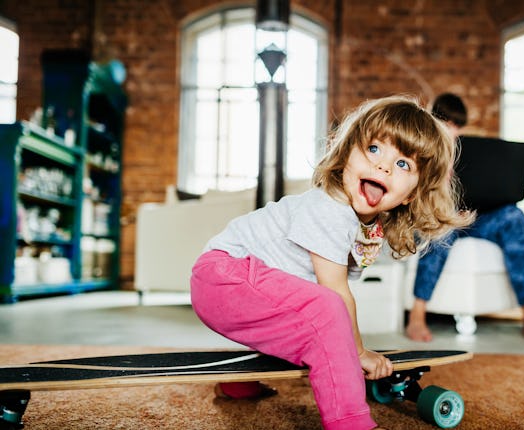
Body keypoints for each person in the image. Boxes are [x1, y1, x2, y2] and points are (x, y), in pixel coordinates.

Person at [190, 95, 473, 430]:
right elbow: (335, 293)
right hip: (224, 277)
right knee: (327, 309)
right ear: (348, 153)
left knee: (310, 317)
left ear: (411, 194)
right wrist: (359, 352)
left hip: (236, 284)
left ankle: (239, 382)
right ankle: (350, 422)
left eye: (402, 165)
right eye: (374, 149)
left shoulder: (365, 225)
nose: (383, 166)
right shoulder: (330, 208)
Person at [405, 92, 524, 343]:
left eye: (456, 126)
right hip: (443, 219)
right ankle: (417, 314)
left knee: (514, 216)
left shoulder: (472, 152)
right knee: (439, 228)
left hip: (476, 217)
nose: (452, 131)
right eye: (446, 124)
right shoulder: (422, 152)